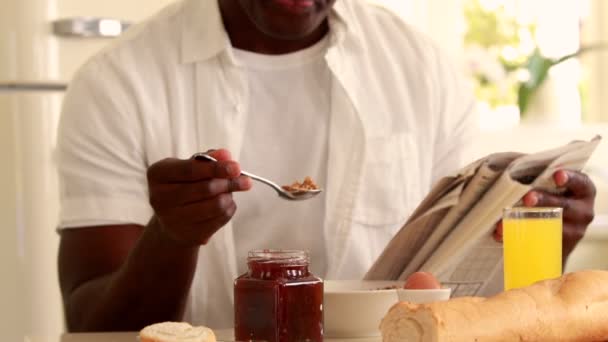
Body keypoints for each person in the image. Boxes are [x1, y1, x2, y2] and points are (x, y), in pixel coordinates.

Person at [56, 0, 597, 332]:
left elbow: (454, 299)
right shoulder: (119, 80)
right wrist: (171, 238)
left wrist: (543, 238)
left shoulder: (418, 68)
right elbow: (92, 325)